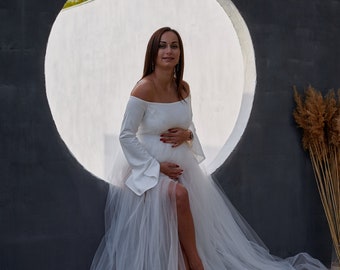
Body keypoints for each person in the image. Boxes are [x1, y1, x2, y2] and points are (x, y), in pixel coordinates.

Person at [90, 27, 328, 270]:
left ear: (180, 53)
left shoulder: (183, 88)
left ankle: (185, 263)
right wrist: (156, 166)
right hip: (147, 171)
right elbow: (126, 135)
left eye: (174, 46)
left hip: (182, 167)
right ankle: (197, 263)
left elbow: (187, 123)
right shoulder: (143, 88)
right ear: (152, 52)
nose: (168, 51)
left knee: (179, 218)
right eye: (162, 45)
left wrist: (188, 134)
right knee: (179, 196)